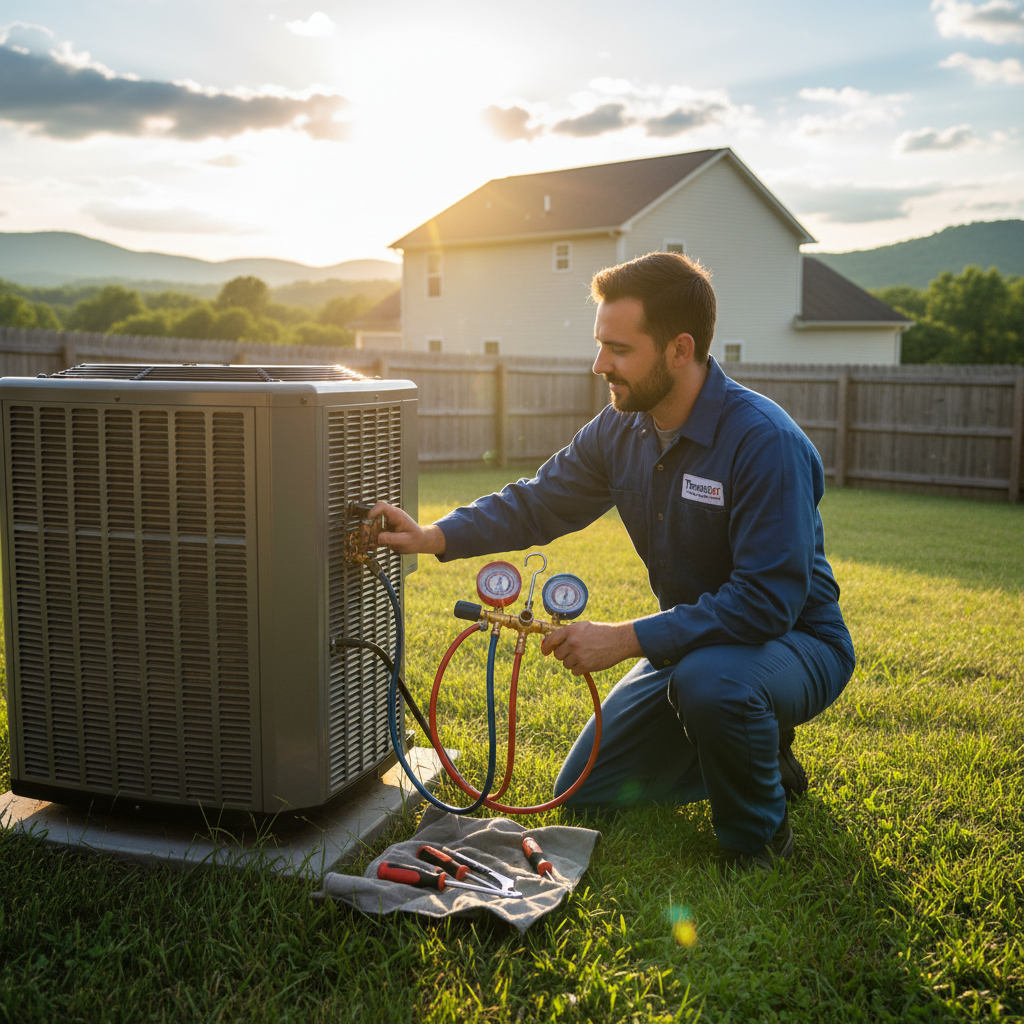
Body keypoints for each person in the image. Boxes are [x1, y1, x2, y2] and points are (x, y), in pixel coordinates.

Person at [372, 251, 855, 871]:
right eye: (601, 344)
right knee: (590, 787)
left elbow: (767, 604)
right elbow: (540, 501)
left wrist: (625, 638)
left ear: (680, 350)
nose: (600, 364)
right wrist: (436, 535)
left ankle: (758, 836)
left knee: (712, 687)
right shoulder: (620, 428)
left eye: (619, 349)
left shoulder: (765, 443)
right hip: (694, 646)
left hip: (796, 643)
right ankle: (758, 750)